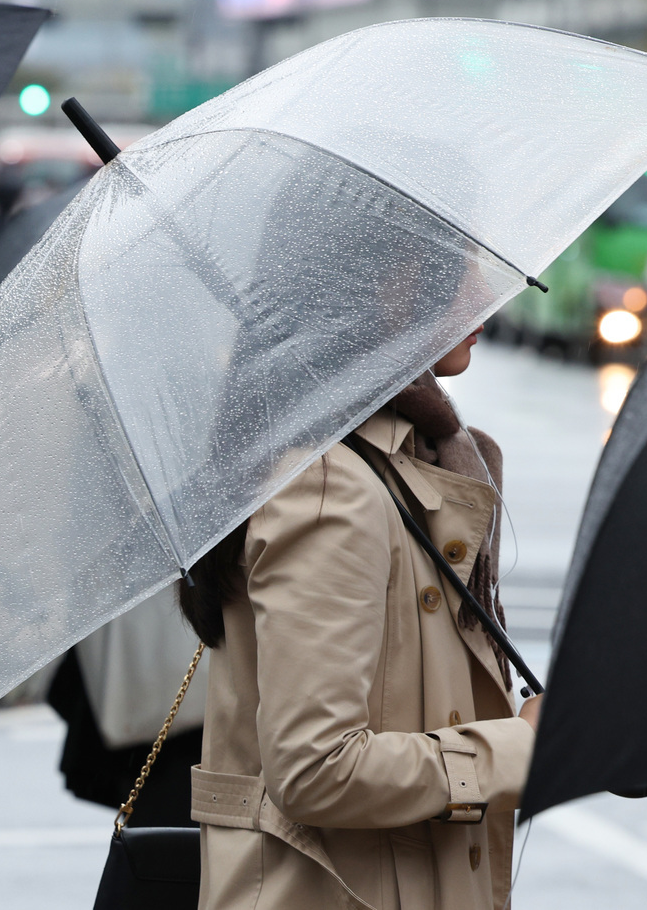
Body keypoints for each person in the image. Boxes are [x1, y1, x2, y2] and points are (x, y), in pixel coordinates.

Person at [182, 325, 541, 910]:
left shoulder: (411, 456)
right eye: (456, 272)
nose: (486, 294)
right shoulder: (329, 484)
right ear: (390, 290)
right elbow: (316, 768)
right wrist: (523, 748)